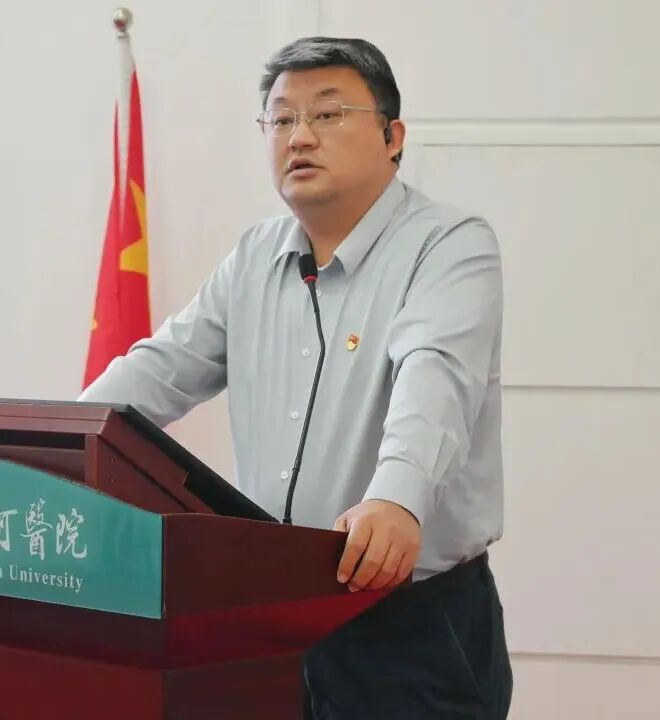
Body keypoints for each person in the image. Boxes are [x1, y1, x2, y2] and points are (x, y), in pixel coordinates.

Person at [80, 36, 512, 719]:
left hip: (406, 624)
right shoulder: (255, 256)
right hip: (270, 618)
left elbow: (435, 380)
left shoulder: (447, 246)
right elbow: (159, 368)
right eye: (281, 119)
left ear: (392, 137)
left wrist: (395, 500)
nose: (299, 136)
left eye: (328, 114)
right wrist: (58, 441)